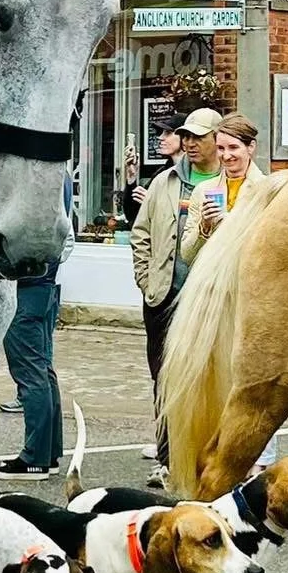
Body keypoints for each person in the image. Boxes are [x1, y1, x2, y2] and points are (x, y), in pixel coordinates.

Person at [128, 107, 222, 454]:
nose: (190, 143)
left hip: (208, 297)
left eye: (198, 136)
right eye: (186, 136)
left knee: (206, 377)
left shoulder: (226, 182)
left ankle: (203, 451)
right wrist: (145, 279)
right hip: (163, 296)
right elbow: (141, 233)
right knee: (164, 377)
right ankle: (167, 454)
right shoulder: (164, 181)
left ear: (217, 138)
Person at [0, 175, 75, 478]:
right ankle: (48, 452)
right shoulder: (60, 176)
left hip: (27, 285)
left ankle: (35, 457)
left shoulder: (38, 176)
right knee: (42, 369)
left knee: (30, 372)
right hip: (45, 285)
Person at [176, 113, 268, 271]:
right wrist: (204, 227)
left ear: (250, 147)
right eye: (220, 148)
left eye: (233, 147)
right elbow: (187, 255)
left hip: (247, 283)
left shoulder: (265, 189)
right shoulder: (203, 190)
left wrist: (232, 223)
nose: (226, 155)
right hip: (210, 285)